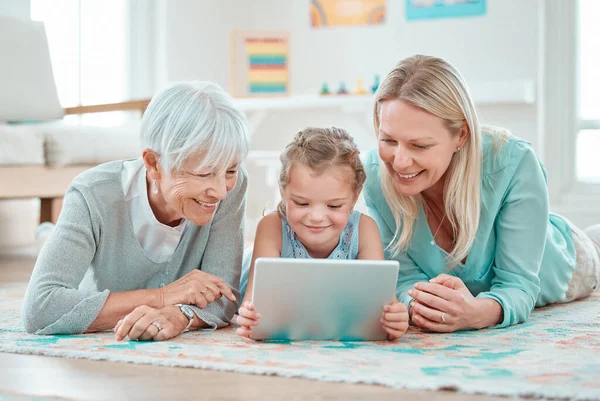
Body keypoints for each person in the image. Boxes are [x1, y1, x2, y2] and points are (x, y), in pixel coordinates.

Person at [363, 55, 600, 332]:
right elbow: (404, 280)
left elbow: (519, 285)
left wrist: (476, 314)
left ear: (461, 135)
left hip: (566, 259)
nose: (400, 161)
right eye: (388, 140)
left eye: (420, 146)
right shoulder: (374, 175)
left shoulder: (515, 162)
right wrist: (419, 306)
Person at [22, 81, 250, 341]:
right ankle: (46, 234)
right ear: (154, 163)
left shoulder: (232, 187)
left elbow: (224, 295)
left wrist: (179, 315)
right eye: (204, 173)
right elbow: (40, 308)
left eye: (230, 170)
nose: (220, 190)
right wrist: (163, 297)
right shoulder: (92, 194)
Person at [236, 127, 409, 341]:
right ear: (283, 193)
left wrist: (394, 317)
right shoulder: (272, 226)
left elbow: (384, 304)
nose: (317, 217)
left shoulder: (364, 229)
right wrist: (249, 317)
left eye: (334, 206)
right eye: (301, 203)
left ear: (354, 197)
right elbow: (252, 302)